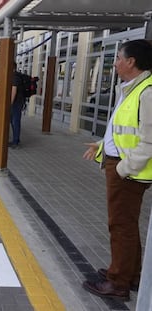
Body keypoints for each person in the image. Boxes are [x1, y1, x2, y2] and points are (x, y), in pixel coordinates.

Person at [82, 39, 152, 301]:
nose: (116, 63)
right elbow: (123, 131)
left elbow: (149, 141)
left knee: (120, 226)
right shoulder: (131, 89)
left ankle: (118, 282)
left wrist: (123, 168)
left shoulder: (146, 92)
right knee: (127, 225)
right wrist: (102, 146)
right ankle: (129, 274)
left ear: (131, 62)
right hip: (124, 168)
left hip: (129, 173)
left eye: (119, 58)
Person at [10, 62, 26, 149]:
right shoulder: (17, 76)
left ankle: (16, 141)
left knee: (15, 122)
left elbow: (14, 91)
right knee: (13, 122)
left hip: (16, 103)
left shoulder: (15, 77)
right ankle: (15, 140)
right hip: (18, 102)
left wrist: (10, 103)